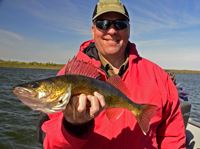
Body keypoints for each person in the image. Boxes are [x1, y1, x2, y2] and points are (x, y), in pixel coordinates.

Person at [37, 0, 186, 148]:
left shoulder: (160, 77)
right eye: (103, 24)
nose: (112, 30)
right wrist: (73, 127)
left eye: (120, 24)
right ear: (93, 30)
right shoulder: (64, 77)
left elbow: (172, 136)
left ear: (129, 29)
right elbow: (49, 141)